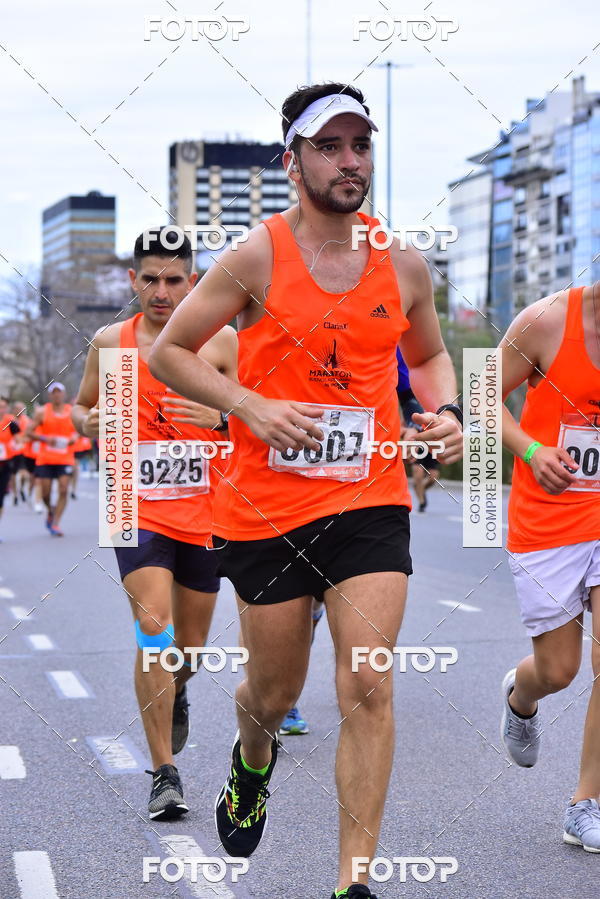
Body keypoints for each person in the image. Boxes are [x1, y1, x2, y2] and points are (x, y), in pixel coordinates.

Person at [150, 83, 463, 898]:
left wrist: (447, 409)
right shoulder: (256, 256)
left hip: (369, 500)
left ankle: (350, 882)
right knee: (274, 691)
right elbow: (172, 351)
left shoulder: (404, 261)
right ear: (293, 162)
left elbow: (427, 357)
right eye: (329, 146)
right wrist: (250, 403)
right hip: (267, 508)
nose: (350, 160)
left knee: (368, 680)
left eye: (360, 144)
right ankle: (252, 761)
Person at [72, 227, 237, 822]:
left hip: (205, 511)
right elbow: (84, 407)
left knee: (186, 651)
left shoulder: (219, 341)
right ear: (132, 281)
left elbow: (252, 420)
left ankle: (180, 686)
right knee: (153, 629)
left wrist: (219, 417)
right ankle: (164, 773)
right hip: (132, 506)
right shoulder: (109, 343)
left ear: (191, 280)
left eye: (174, 280)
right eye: (150, 279)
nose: (162, 292)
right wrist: (86, 423)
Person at [500, 284, 600, 852]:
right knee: (558, 669)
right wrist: (532, 451)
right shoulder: (545, 320)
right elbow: (481, 394)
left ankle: (584, 804)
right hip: (550, 519)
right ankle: (522, 693)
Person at [26, 383, 77, 536]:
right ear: (50, 395)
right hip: (46, 458)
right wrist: (45, 438)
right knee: (45, 493)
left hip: (65, 457)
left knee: (63, 489)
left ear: (64, 394)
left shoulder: (72, 412)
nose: (57, 395)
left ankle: (55, 523)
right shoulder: (42, 412)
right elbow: (29, 431)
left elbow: (78, 430)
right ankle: (50, 509)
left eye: (59, 392)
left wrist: (73, 438)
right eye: (54, 393)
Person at [396, 348, 441, 512]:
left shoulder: (433, 393)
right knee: (416, 471)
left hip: (430, 437)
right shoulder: (407, 391)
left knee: (433, 477)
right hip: (414, 437)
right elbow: (403, 411)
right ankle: (422, 502)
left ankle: (420, 489)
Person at [0, 397, 20, 540]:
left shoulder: (11, 423)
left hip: (4, 465)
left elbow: (20, 439)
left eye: (3, 407)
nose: (1, 409)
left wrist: (16, 445)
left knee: (0, 498)